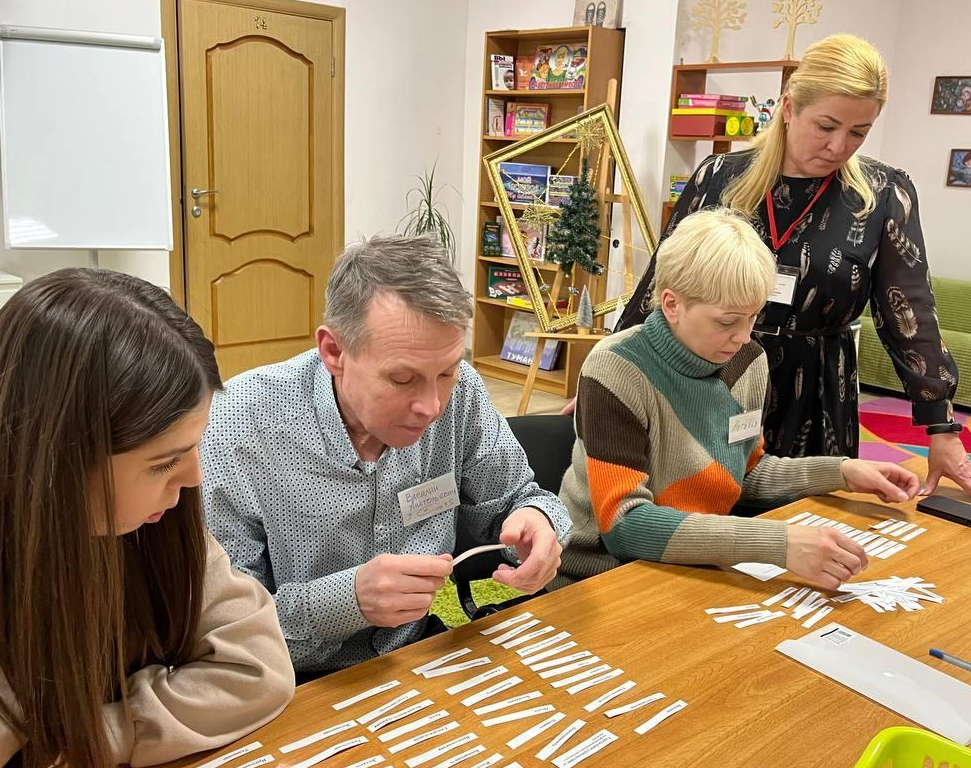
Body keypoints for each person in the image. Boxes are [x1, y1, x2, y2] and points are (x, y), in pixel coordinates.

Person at [0, 269, 295, 768]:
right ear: (54, 461)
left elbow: (257, 666)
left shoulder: (144, 516)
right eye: (162, 463)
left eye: (192, 446)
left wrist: (100, 737)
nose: (194, 478)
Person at [610, 34, 969, 495]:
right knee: (694, 518)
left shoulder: (881, 196)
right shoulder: (719, 179)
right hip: (710, 376)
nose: (840, 146)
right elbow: (662, 282)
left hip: (816, 390)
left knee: (807, 530)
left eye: (858, 132)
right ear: (788, 107)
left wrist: (941, 427)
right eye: (826, 125)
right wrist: (614, 370)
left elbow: (909, 312)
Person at [201, 235, 570, 677]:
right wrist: (347, 601)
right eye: (402, 379)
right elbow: (225, 628)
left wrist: (539, 521)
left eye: (447, 371)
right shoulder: (237, 427)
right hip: (291, 683)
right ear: (334, 352)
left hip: (417, 656)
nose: (432, 405)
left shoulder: (462, 391)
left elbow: (516, 497)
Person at [552, 209, 921, 591]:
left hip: (689, 566)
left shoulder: (748, 360)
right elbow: (626, 527)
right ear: (672, 304)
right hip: (598, 577)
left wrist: (842, 472)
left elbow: (744, 474)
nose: (744, 336)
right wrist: (777, 543)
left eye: (753, 317)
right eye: (727, 322)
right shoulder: (616, 368)